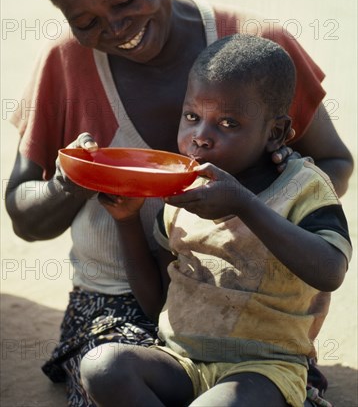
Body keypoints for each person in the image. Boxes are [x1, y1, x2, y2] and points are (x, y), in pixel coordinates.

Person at [4, 0, 352, 406]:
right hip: (115, 302)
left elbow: (335, 164)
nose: (116, 28)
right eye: (88, 21)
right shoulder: (65, 63)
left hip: (251, 303)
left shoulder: (254, 51)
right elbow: (24, 216)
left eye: (124, 0)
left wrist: (268, 187)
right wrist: (70, 180)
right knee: (110, 375)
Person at [80, 35, 352, 407]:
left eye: (227, 123)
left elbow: (330, 271)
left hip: (264, 369)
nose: (200, 138)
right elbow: (157, 301)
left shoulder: (303, 189)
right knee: (103, 366)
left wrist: (243, 203)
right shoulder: (179, 192)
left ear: (274, 133)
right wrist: (127, 221)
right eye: (192, 117)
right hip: (181, 361)